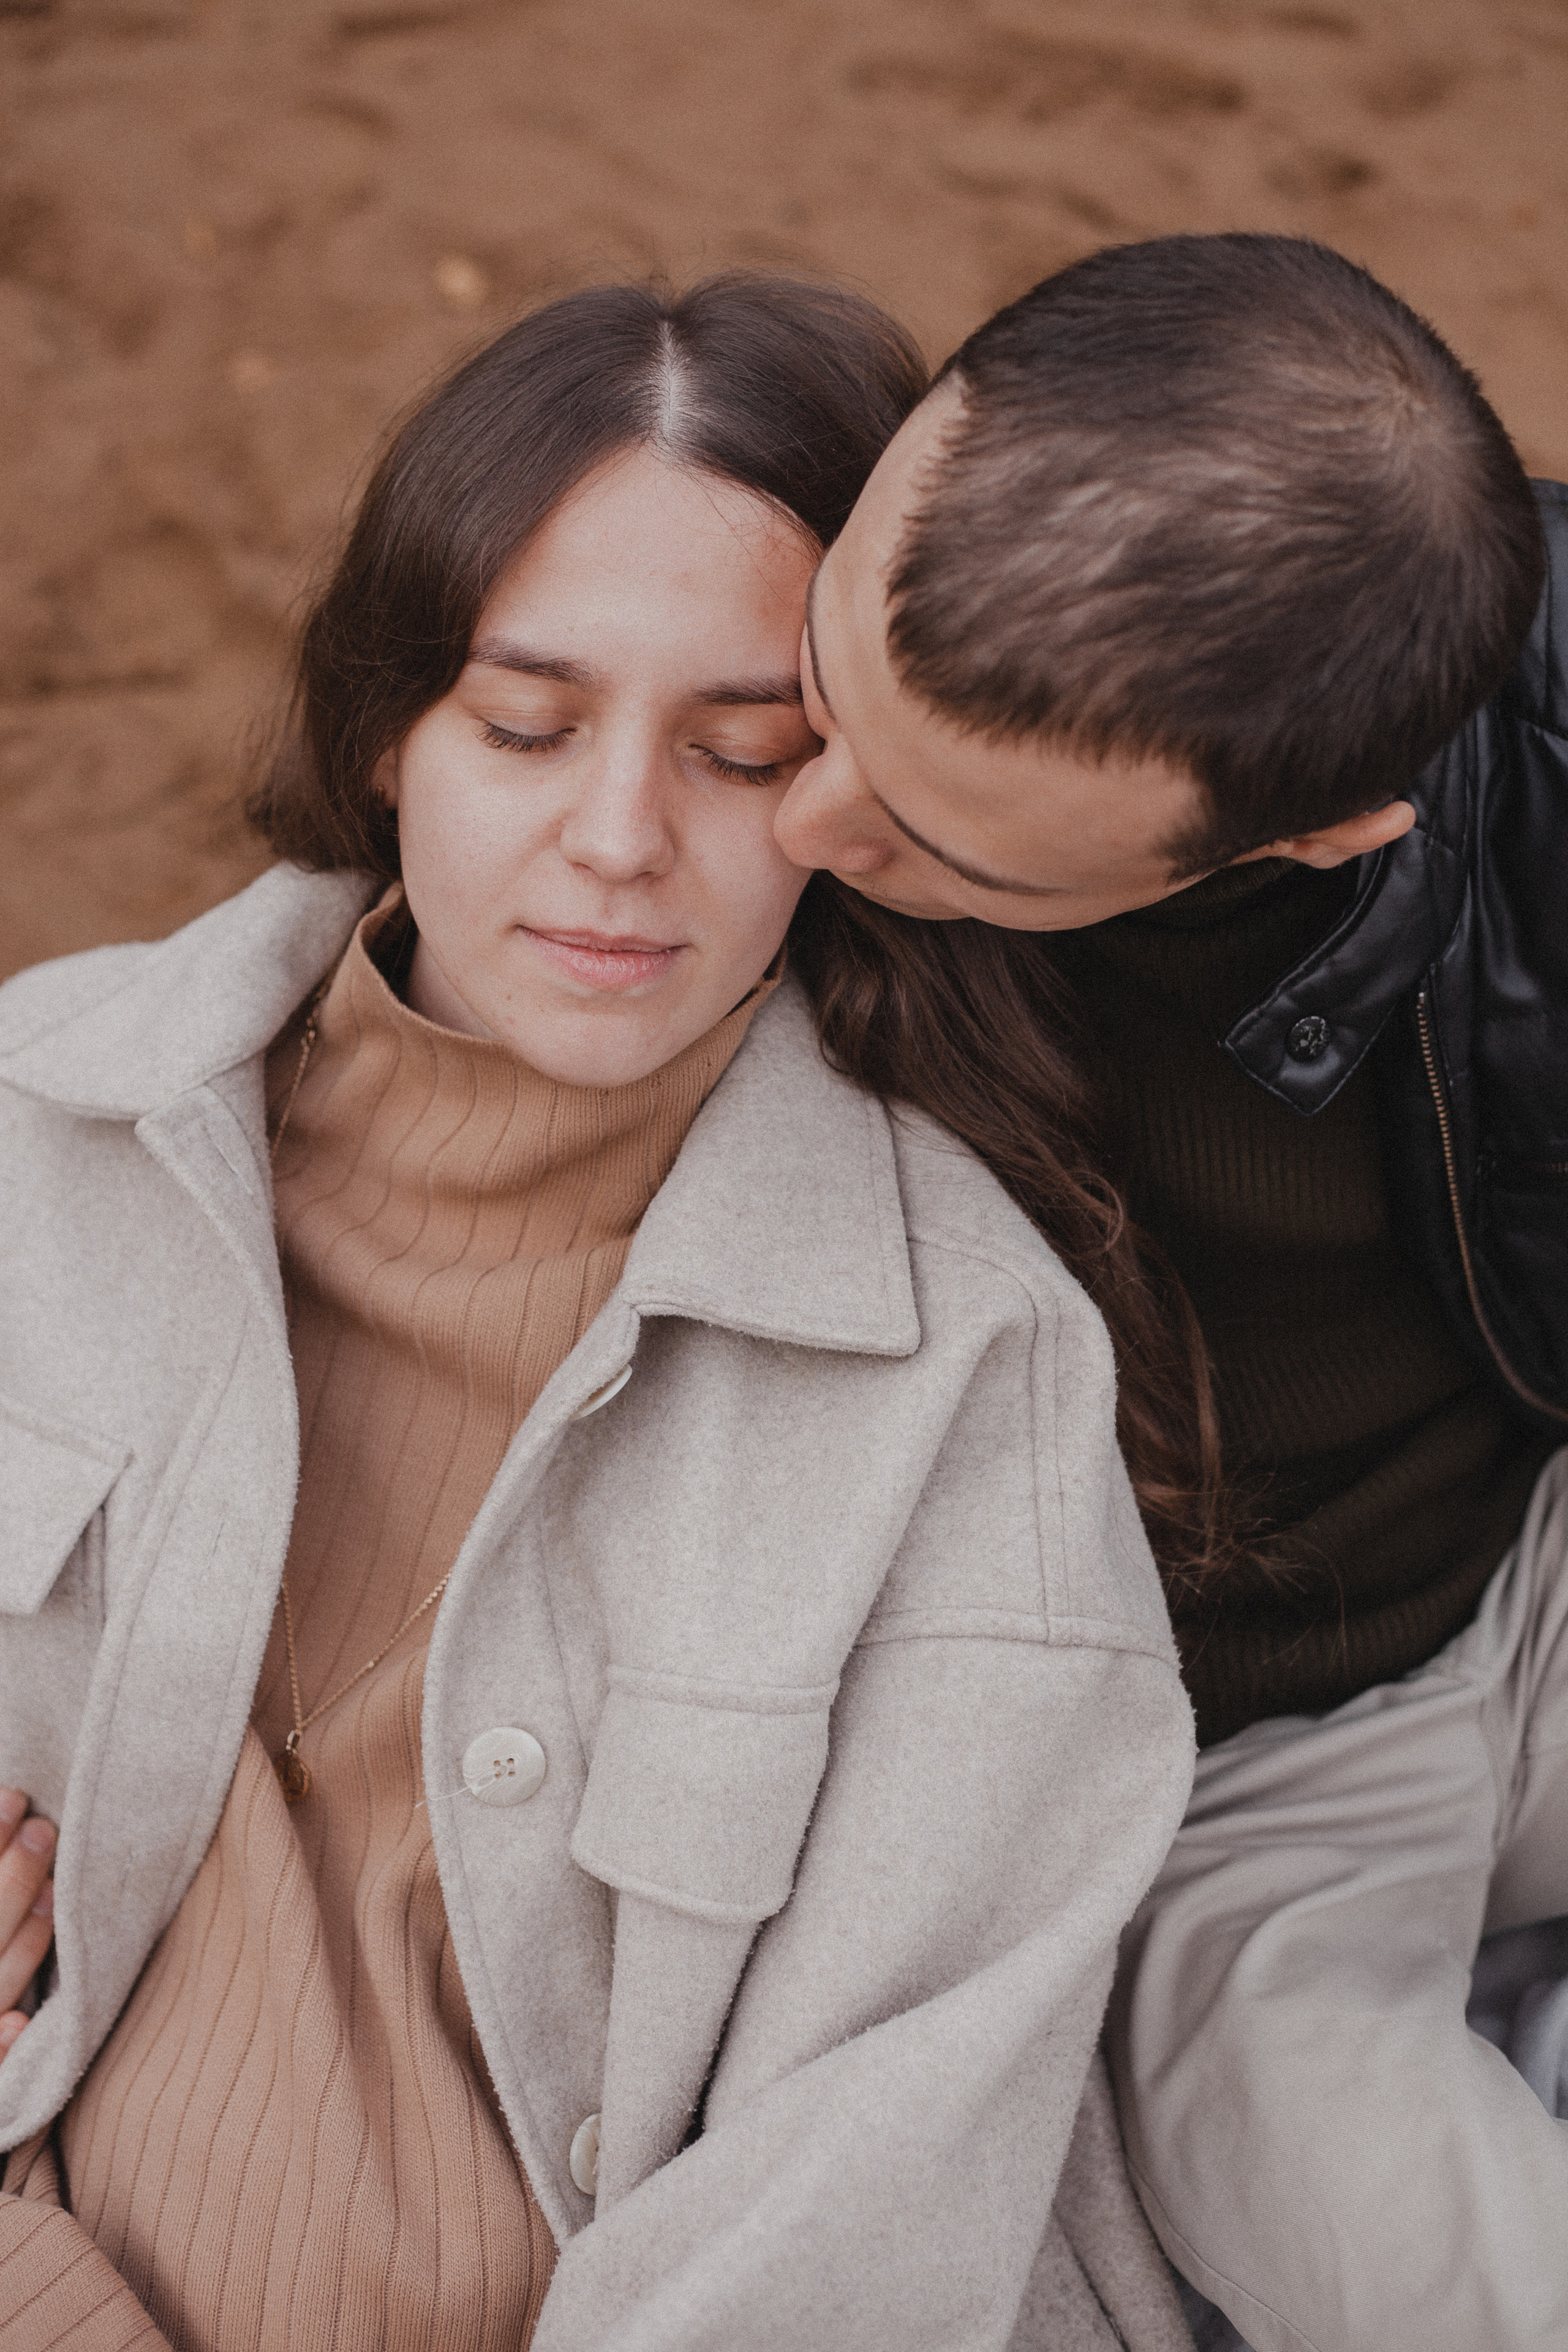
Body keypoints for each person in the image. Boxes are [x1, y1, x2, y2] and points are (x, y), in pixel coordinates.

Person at [0, 276, 1197, 2352]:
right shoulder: (38, 1131)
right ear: (387, 730)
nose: (623, 840)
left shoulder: (970, 1375)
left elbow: (857, 2205)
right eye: (526, 726)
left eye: (745, 754)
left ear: (868, 800)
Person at [773, 232, 1568, 2352]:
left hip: (1533, 1547)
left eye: (955, 849)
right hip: (1238, 1751)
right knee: (1368, 2226)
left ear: (1315, 841)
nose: (812, 820)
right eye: (832, 676)